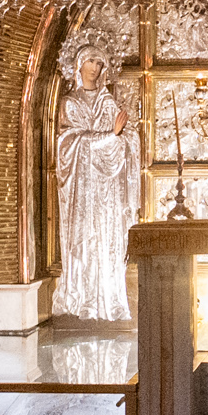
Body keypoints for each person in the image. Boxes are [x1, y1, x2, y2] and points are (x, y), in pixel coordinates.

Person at [55, 47, 139, 323]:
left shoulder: (108, 104)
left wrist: (120, 139)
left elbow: (127, 142)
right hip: (82, 189)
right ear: (78, 65)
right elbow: (67, 144)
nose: (95, 67)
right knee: (86, 241)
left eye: (100, 62)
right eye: (90, 61)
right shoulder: (70, 104)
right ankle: (85, 300)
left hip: (107, 191)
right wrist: (109, 135)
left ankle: (110, 299)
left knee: (108, 242)